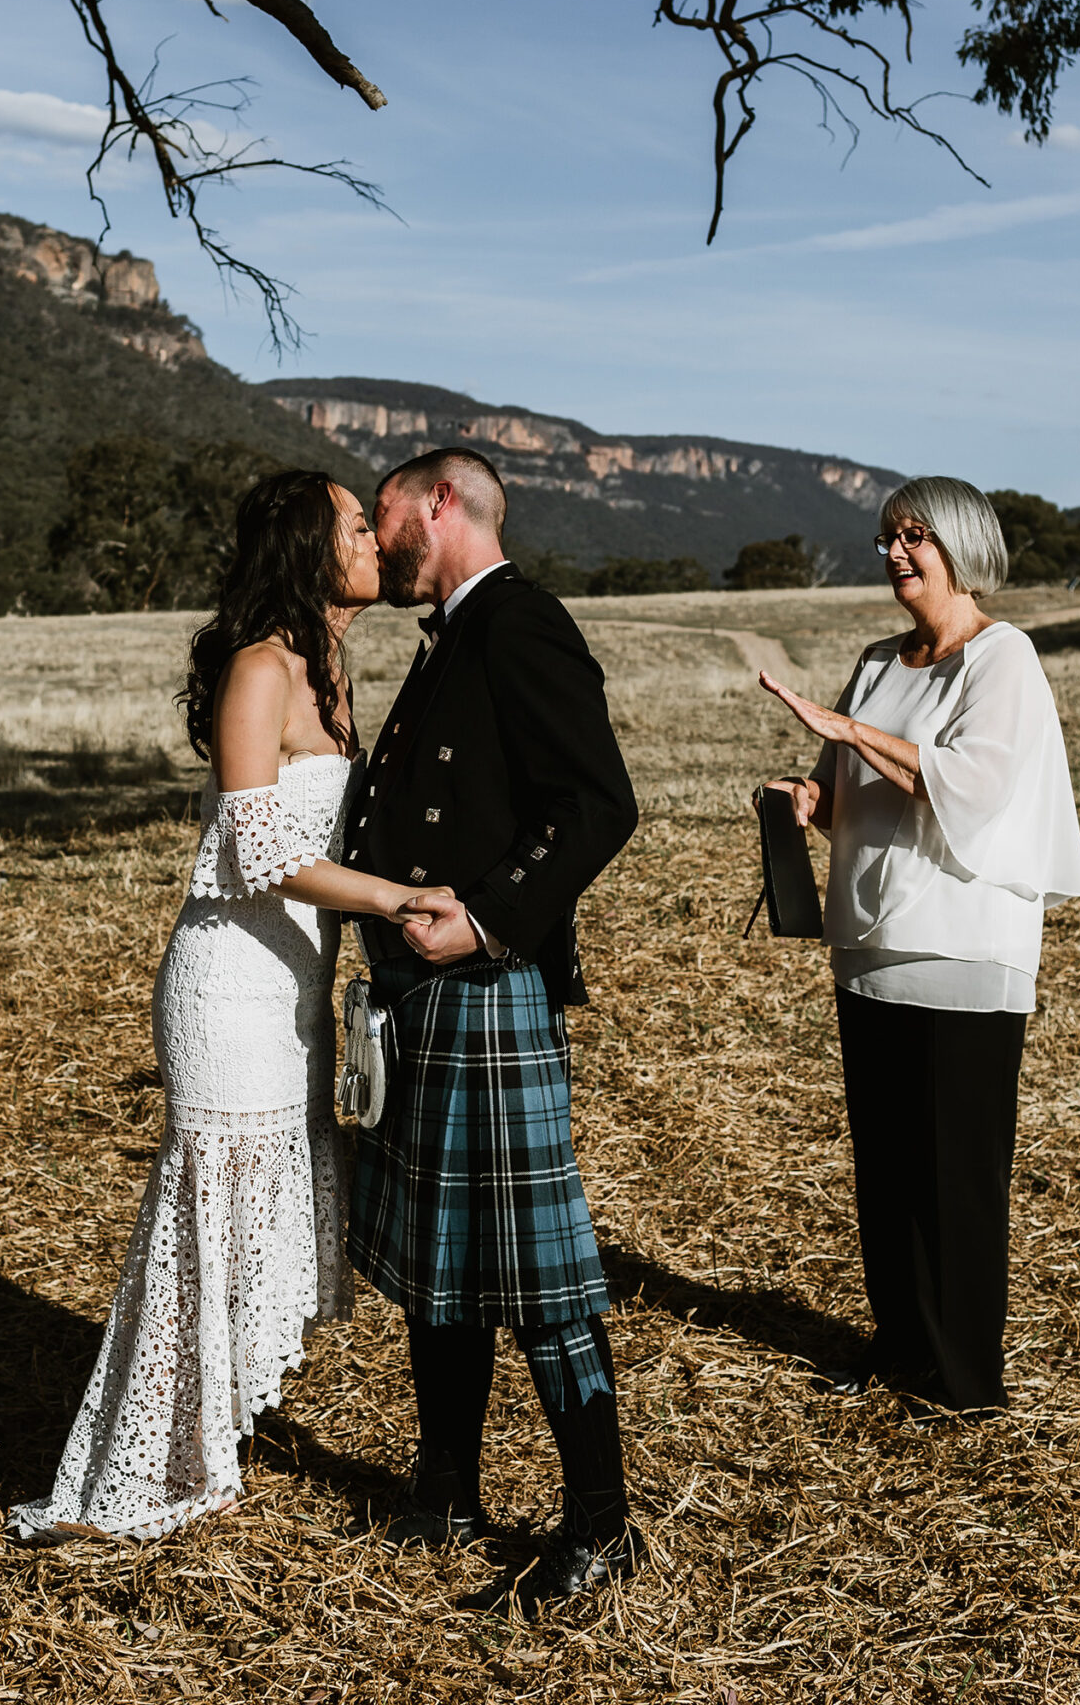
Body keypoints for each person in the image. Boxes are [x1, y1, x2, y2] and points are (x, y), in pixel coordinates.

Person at [9, 472, 445, 1544]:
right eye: (354, 525)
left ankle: (203, 1434)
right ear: (309, 551)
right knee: (211, 1206)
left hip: (292, 982)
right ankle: (144, 1466)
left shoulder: (331, 664)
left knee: (263, 1203)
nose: (374, 541)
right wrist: (394, 898)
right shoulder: (260, 667)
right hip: (229, 985)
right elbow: (254, 846)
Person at [340, 448, 642, 1599]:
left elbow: (600, 803)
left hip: (487, 988)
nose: (380, 539)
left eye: (386, 516)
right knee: (440, 1262)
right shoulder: (453, 635)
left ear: (441, 504)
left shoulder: (519, 623)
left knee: (538, 1268)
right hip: (426, 996)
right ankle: (446, 1488)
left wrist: (488, 917)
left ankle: (603, 1526)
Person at [759, 474, 1080, 1413]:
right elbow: (846, 799)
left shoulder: (1003, 660)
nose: (896, 554)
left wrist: (848, 731)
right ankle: (900, 1347)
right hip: (867, 946)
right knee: (889, 1166)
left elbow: (970, 791)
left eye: (914, 536)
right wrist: (804, 800)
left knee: (956, 1175)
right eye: (886, 538)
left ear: (959, 544)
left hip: (961, 948)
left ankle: (964, 1381)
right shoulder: (873, 661)